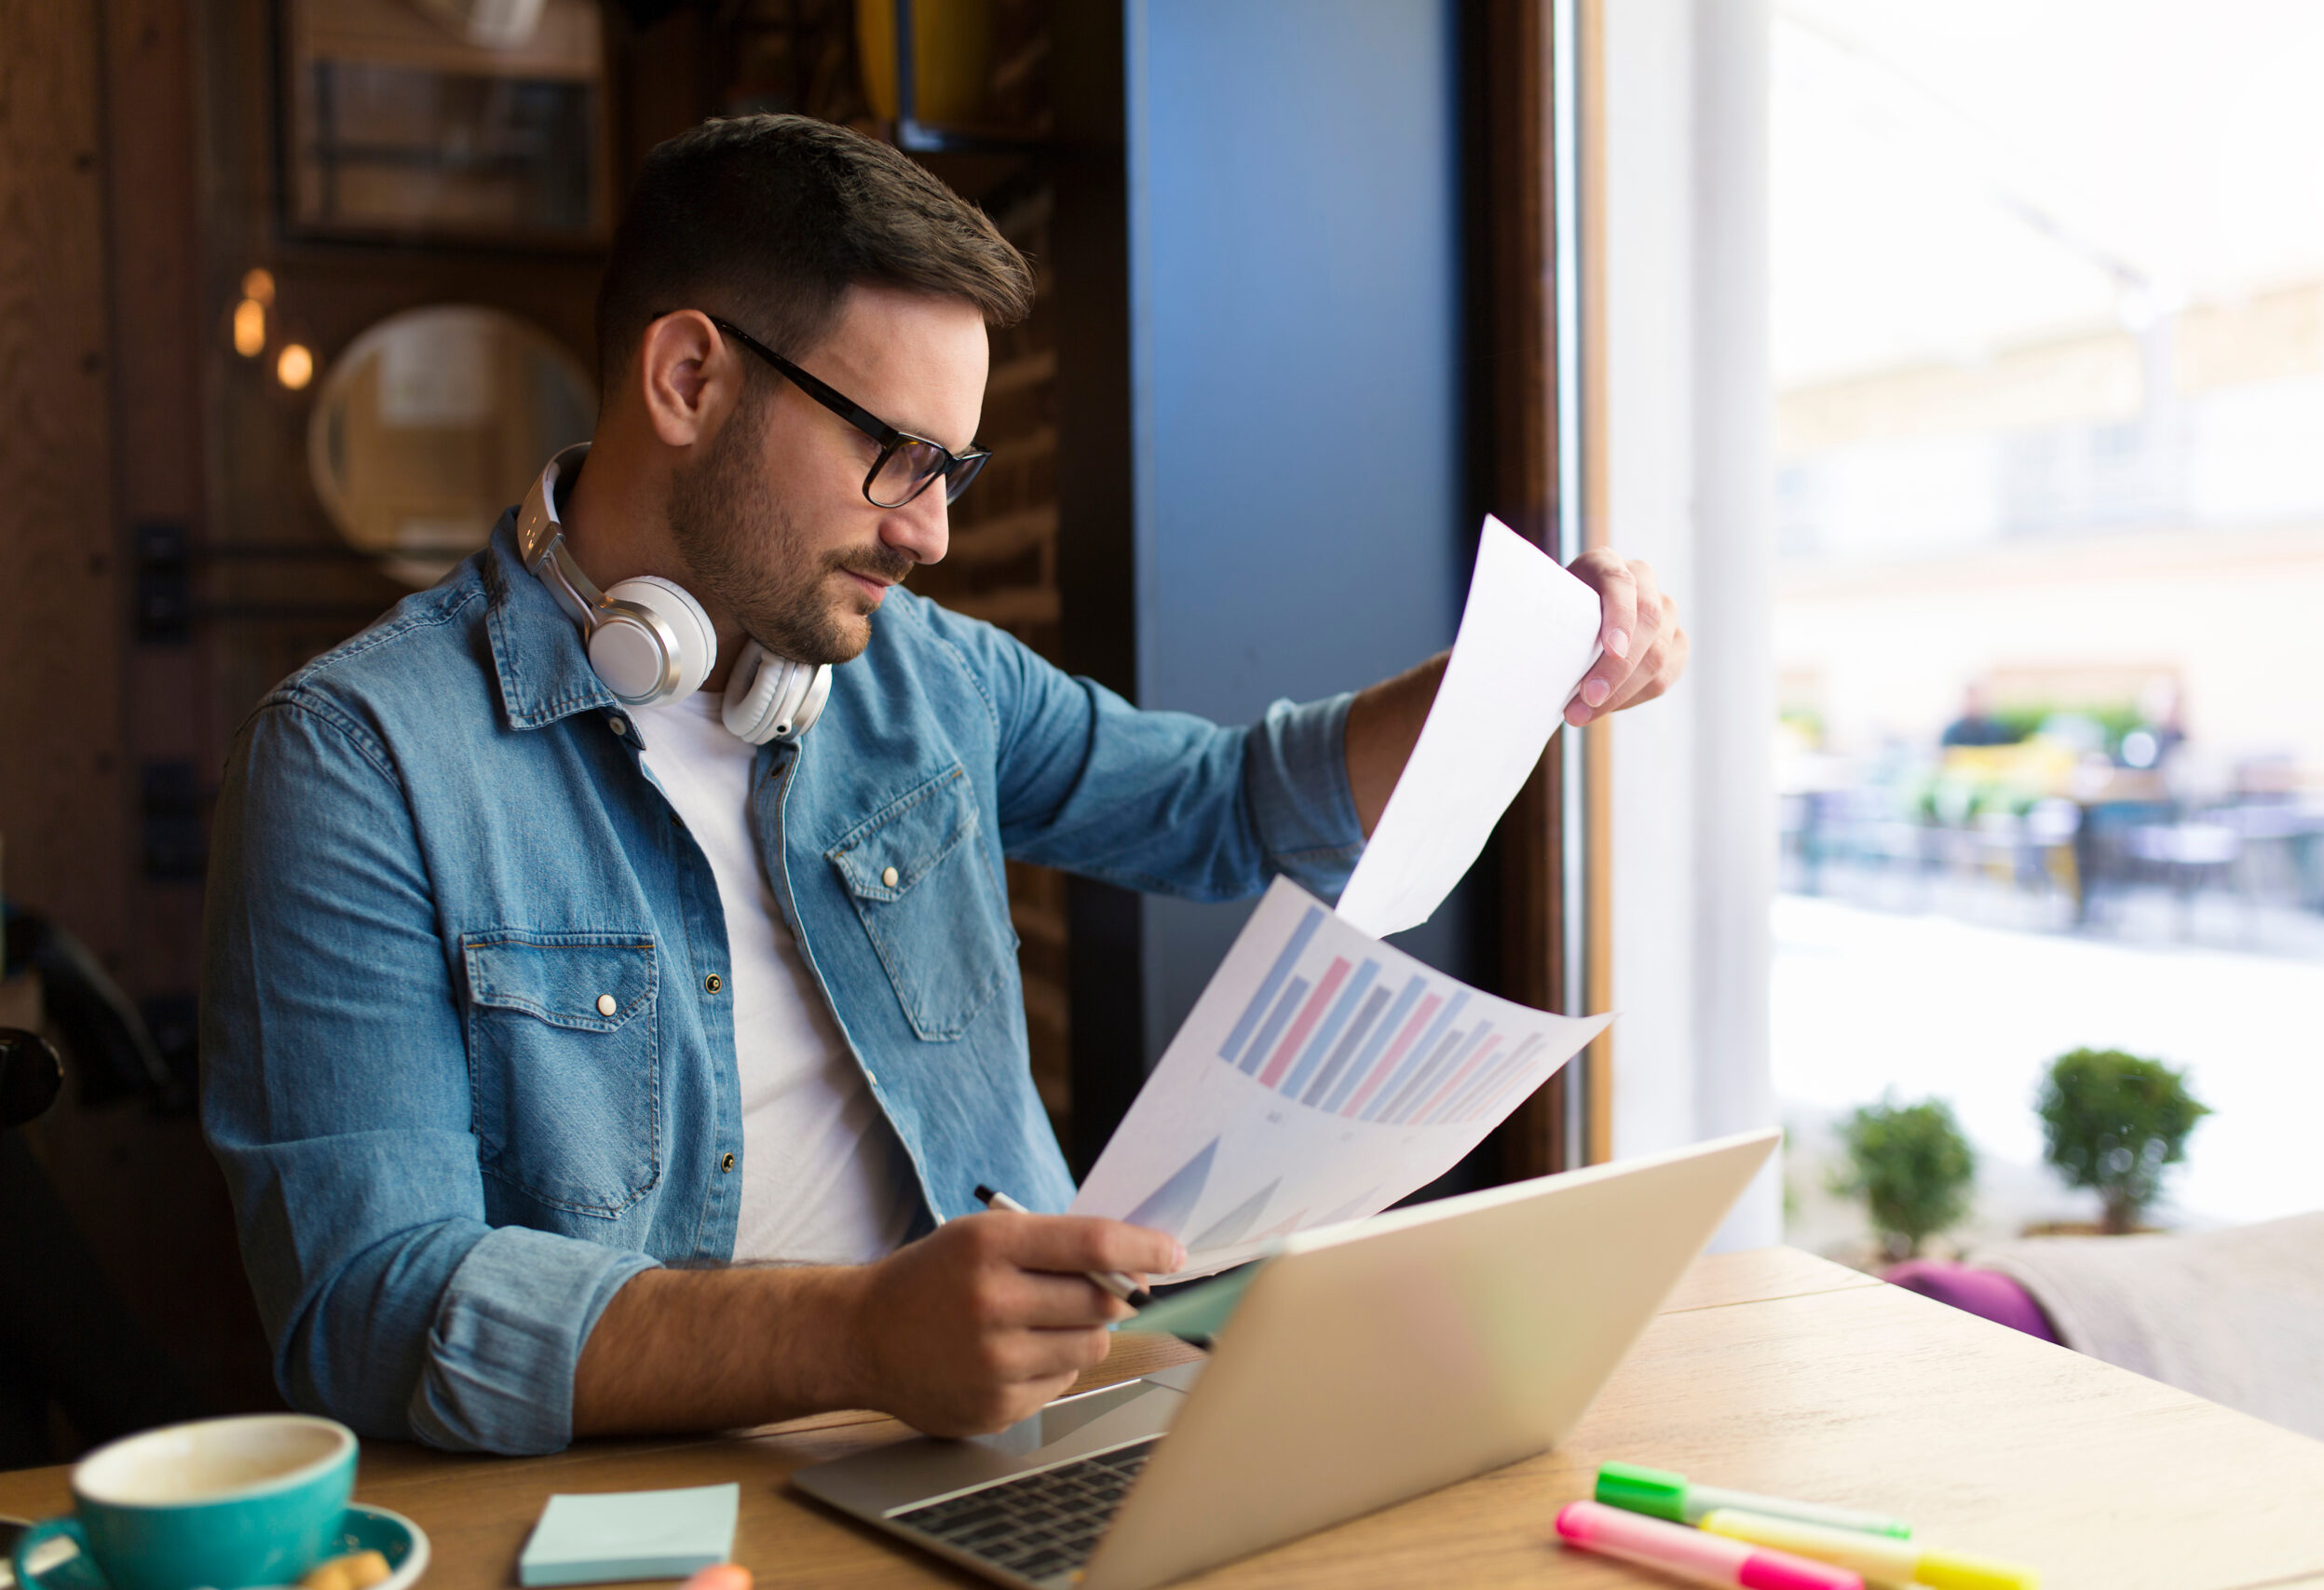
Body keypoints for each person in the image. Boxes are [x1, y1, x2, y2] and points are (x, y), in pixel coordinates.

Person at [199, 115, 1685, 1458]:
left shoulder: (928, 679)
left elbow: (1231, 805)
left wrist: (1523, 667)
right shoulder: (359, 761)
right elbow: (372, 1306)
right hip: (663, 1513)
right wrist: (859, 1337)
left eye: (952, 473)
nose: (930, 536)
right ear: (689, 379)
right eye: (900, 456)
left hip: (1021, 1450)